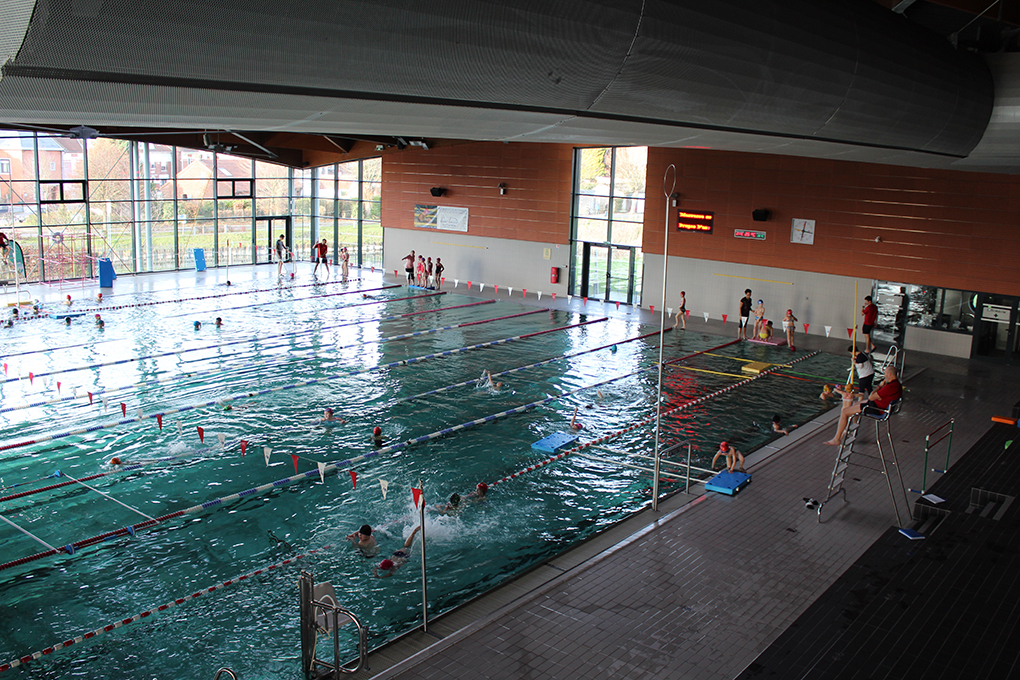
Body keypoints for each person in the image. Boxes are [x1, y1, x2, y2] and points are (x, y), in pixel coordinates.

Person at [825, 366, 903, 446]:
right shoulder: (897, 385)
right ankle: (853, 425)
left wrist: (879, 387)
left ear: (890, 374)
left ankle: (837, 439)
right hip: (880, 406)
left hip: (876, 409)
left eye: (885, 374)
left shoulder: (889, 387)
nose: (884, 376)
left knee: (844, 411)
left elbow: (871, 397)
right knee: (855, 404)